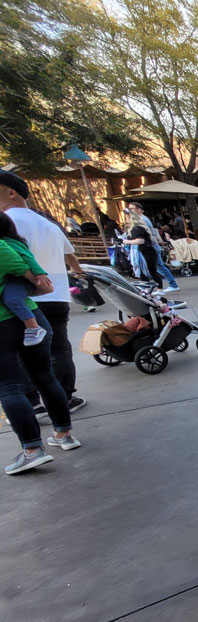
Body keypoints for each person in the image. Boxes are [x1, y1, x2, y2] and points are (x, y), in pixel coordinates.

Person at [0, 213, 82, 475]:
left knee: (10, 387)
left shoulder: (4, 246)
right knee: (44, 377)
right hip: (31, 316)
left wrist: (35, 276)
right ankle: (64, 434)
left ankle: (32, 450)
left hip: (4, 325)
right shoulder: (14, 243)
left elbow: (13, 260)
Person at [0, 170, 87, 415]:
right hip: (57, 294)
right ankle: (65, 398)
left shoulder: (7, 222)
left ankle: (34, 403)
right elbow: (70, 254)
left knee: (24, 352)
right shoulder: (47, 223)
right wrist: (78, 273)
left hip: (25, 298)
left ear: (10, 192)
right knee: (59, 347)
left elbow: (12, 260)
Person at [0, 212, 49, 345]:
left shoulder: (8, 244)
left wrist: (39, 274)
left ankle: (33, 328)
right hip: (13, 279)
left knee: (12, 299)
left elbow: (28, 258)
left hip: (20, 281)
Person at [128, 202, 179, 292]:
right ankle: (168, 285)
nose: (130, 211)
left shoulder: (142, 220)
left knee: (157, 268)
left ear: (139, 210)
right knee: (156, 268)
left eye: (132, 209)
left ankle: (171, 285)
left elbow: (144, 236)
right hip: (150, 247)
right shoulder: (142, 219)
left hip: (151, 247)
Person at [122, 210, 163, 288]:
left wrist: (125, 241)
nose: (126, 220)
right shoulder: (138, 228)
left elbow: (140, 241)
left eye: (127, 218)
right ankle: (153, 289)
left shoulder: (137, 229)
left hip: (145, 253)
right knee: (149, 272)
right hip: (145, 252)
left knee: (149, 272)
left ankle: (156, 289)